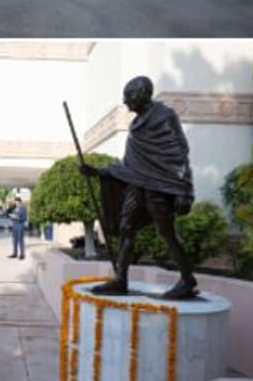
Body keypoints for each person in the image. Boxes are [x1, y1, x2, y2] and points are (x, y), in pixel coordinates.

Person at [80, 76, 198, 299]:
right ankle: (120, 280)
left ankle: (187, 279)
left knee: (168, 233)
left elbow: (180, 152)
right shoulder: (135, 125)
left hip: (159, 186)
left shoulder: (165, 116)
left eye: (128, 95)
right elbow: (130, 164)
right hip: (137, 184)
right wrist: (98, 171)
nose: (125, 101)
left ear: (142, 94)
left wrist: (184, 189)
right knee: (126, 228)